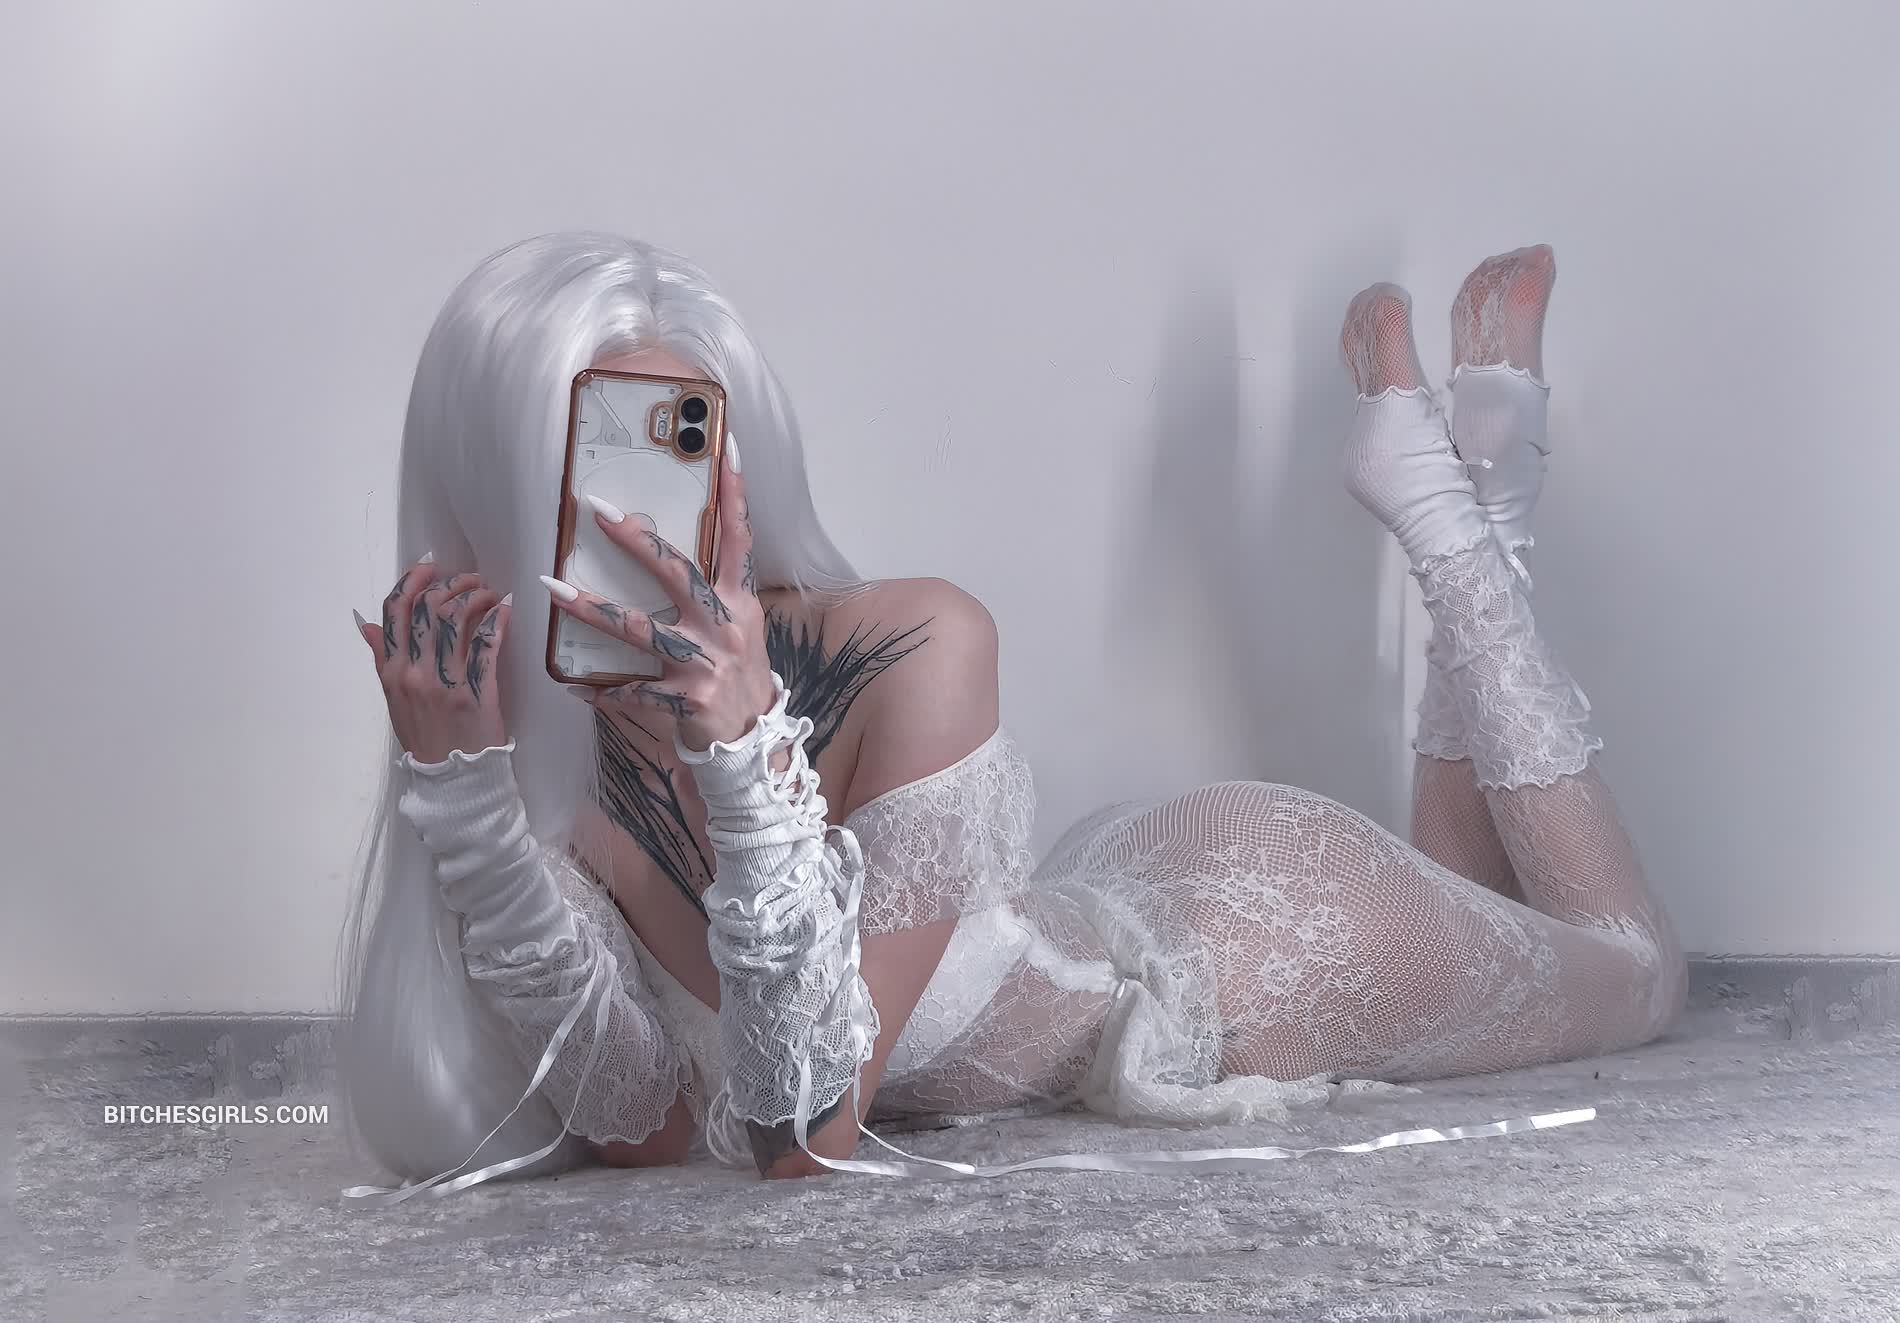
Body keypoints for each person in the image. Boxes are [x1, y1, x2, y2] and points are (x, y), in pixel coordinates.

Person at [337, 233, 1686, 1196]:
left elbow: (805, 1137)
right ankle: (1472, 469)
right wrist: (468, 808)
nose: (648, 516)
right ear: (507, 497)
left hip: (1247, 943)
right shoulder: (543, 791)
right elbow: (645, 1124)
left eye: (681, 440)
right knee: (1479, 893)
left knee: (1631, 975)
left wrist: (744, 748)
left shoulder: (911, 645)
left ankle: (1451, 515)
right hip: (1121, 893)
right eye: (598, 463)